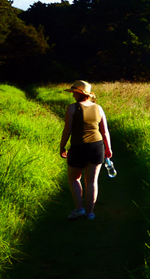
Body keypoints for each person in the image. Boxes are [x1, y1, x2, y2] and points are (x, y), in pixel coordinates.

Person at [58, 80, 113, 220]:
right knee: (92, 182)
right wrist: (108, 148)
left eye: (74, 93)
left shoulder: (72, 108)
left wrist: (62, 146)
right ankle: (90, 213)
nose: (72, 96)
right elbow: (105, 131)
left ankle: (79, 209)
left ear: (78, 93)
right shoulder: (98, 108)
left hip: (78, 147)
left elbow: (67, 131)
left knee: (74, 178)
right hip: (97, 146)